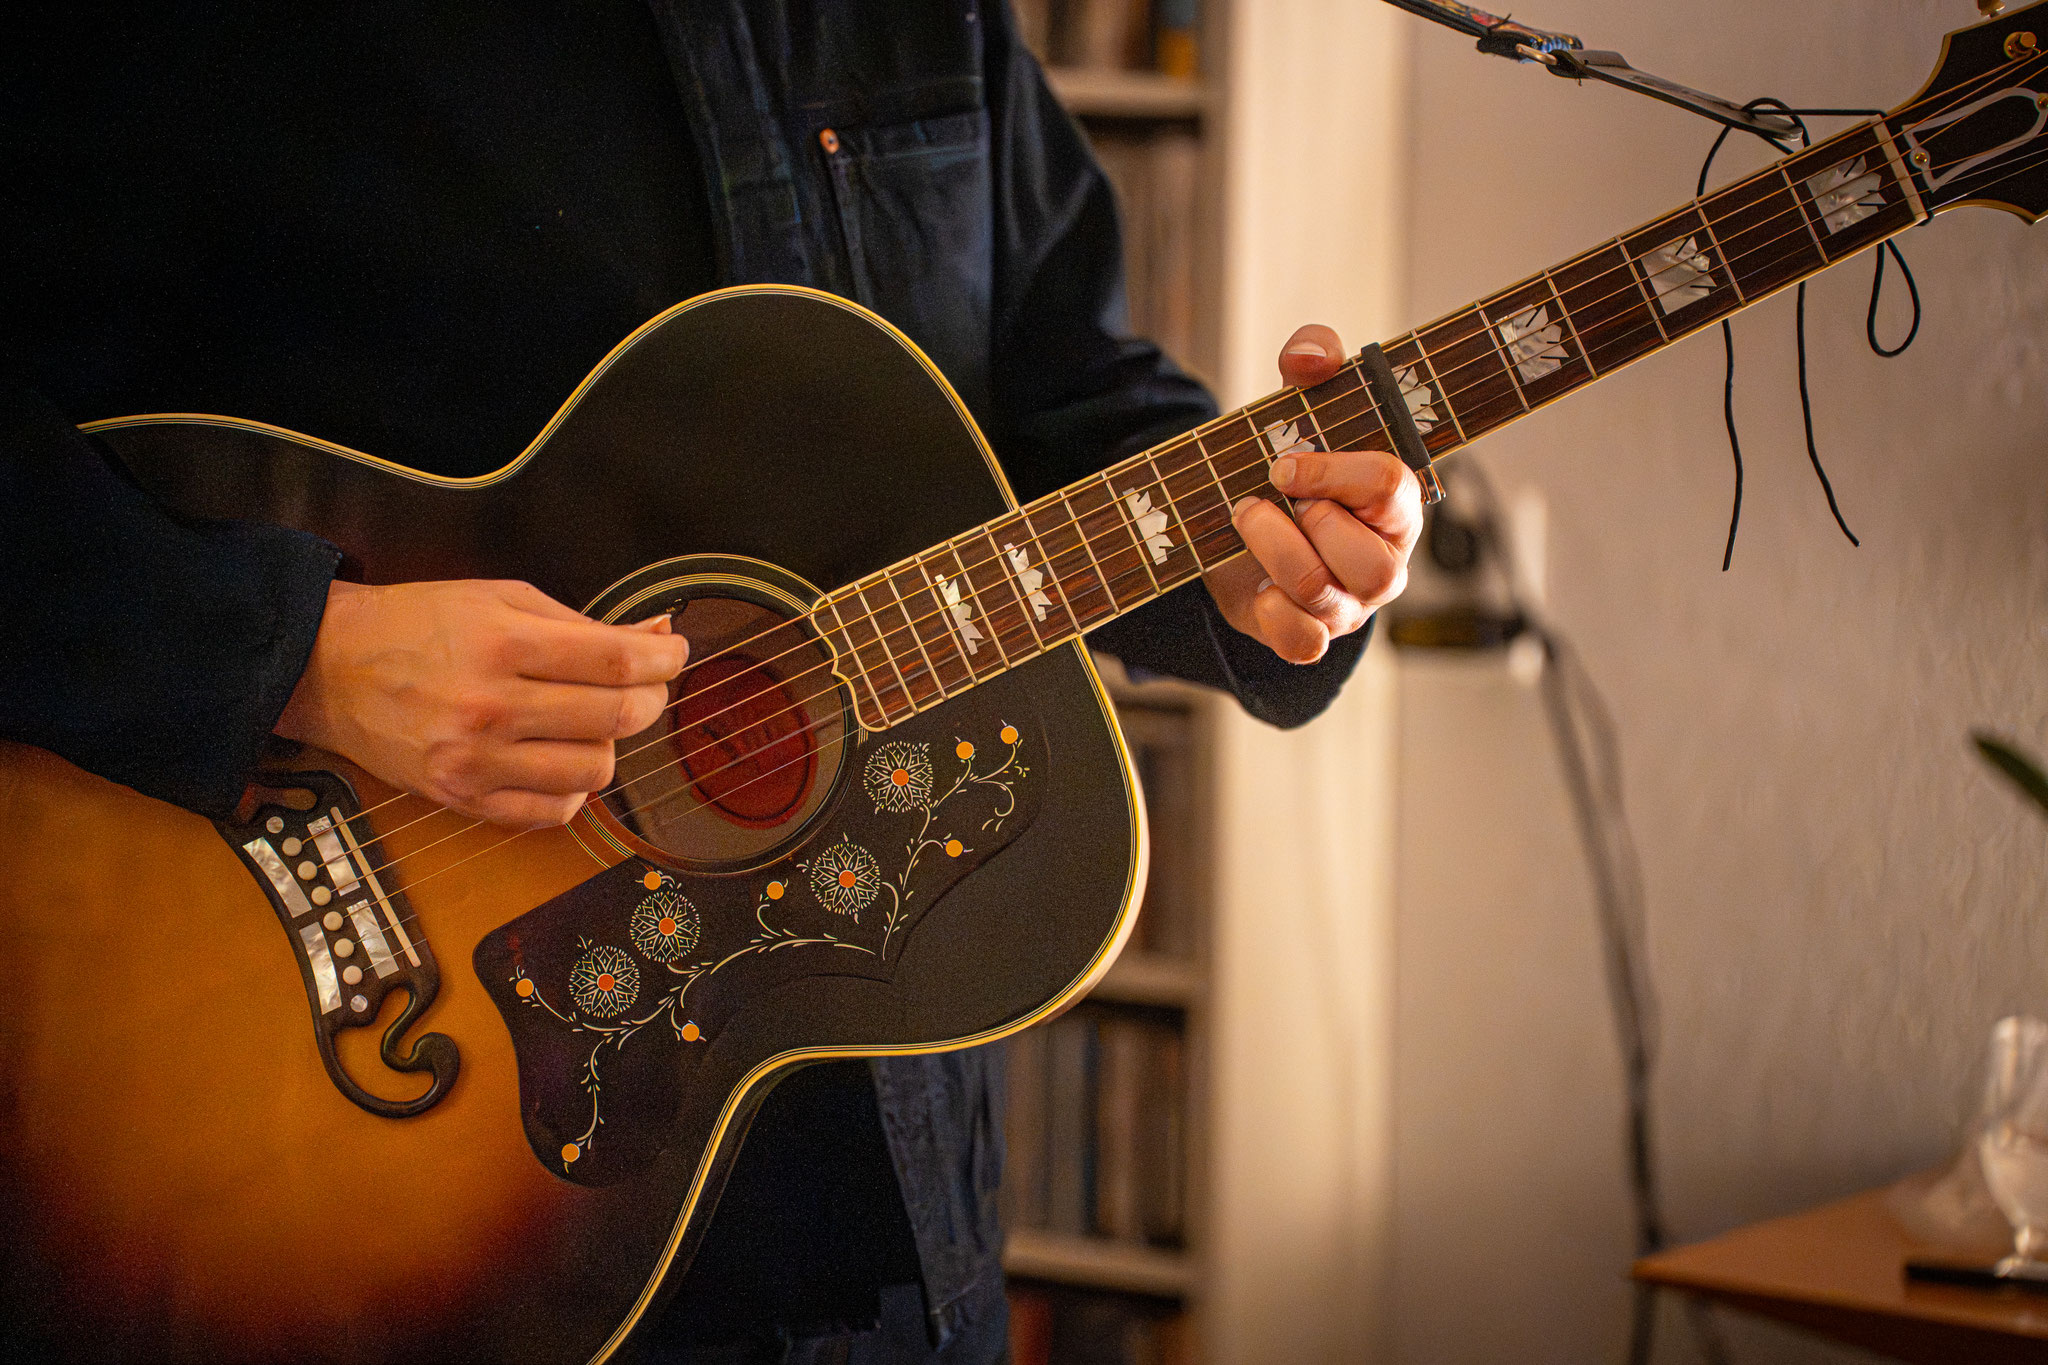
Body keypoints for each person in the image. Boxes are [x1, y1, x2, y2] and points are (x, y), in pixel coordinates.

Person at [1, 3, 1419, 1360]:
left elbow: (1061, 405)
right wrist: (299, 657)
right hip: (339, 1183)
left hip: (895, 1233)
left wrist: (1265, 560)